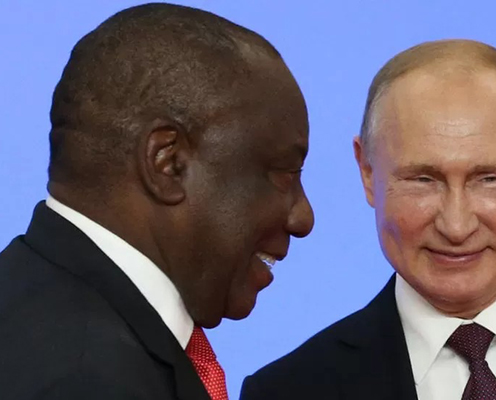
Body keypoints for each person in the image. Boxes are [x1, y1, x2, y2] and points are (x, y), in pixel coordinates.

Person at [240, 39, 496, 400]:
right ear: (367, 172)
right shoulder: (288, 391)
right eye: (422, 180)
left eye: (489, 179)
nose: (456, 226)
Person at [0, 3, 314, 399]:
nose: (303, 218)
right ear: (168, 163)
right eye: (283, 172)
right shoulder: (89, 380)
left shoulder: (30, 310)